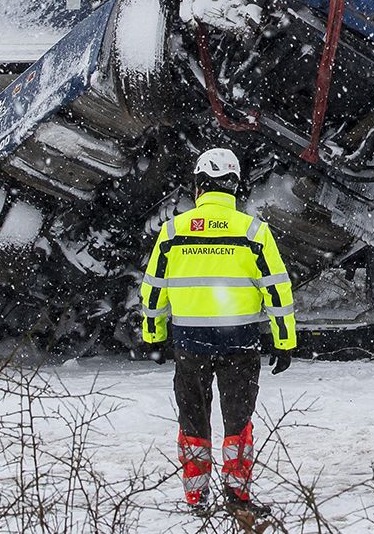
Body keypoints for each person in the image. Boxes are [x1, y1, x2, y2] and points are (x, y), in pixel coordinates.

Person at [139, 148, 296, 516]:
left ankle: (196, 498)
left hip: (189, 343)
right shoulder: (254, 231)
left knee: (193, 420)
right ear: (234, 186)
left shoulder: (173, 231)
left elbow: (153, 290)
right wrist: (283, 339)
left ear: (199, 186)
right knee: (237, 422)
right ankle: (237, 497)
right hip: (240, 342)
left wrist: (153, 334)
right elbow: (277, 289)